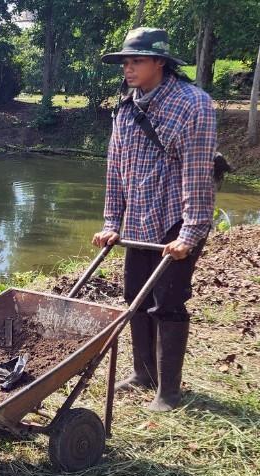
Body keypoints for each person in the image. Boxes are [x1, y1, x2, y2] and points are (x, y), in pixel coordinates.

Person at [93, 28, 217, 412]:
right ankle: (143, 372)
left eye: (136, 61)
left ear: (159, 63)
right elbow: (116, 168)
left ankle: (169, 391)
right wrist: (112, 221)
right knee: (134, 297)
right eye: (126, 62)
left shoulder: (193, 104)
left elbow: (197, 173)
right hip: (139, 224)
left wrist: (191, 233)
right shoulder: (127, 109)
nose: (128, 69)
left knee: (168, 303)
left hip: (176, 220)